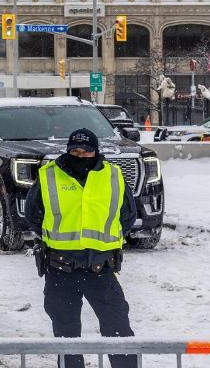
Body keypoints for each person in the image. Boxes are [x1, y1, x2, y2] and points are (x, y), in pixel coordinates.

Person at [24, 128, 138, 368]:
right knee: (66, 338)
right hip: (61, 270)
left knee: (118, 331)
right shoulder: (49, 176)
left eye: (87, 151)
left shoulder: (113, 176)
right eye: (75, 151)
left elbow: (127, 216)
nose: (81, 155)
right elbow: (33, 215)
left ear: (96, 151)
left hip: (101, 269)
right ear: (68, 151)